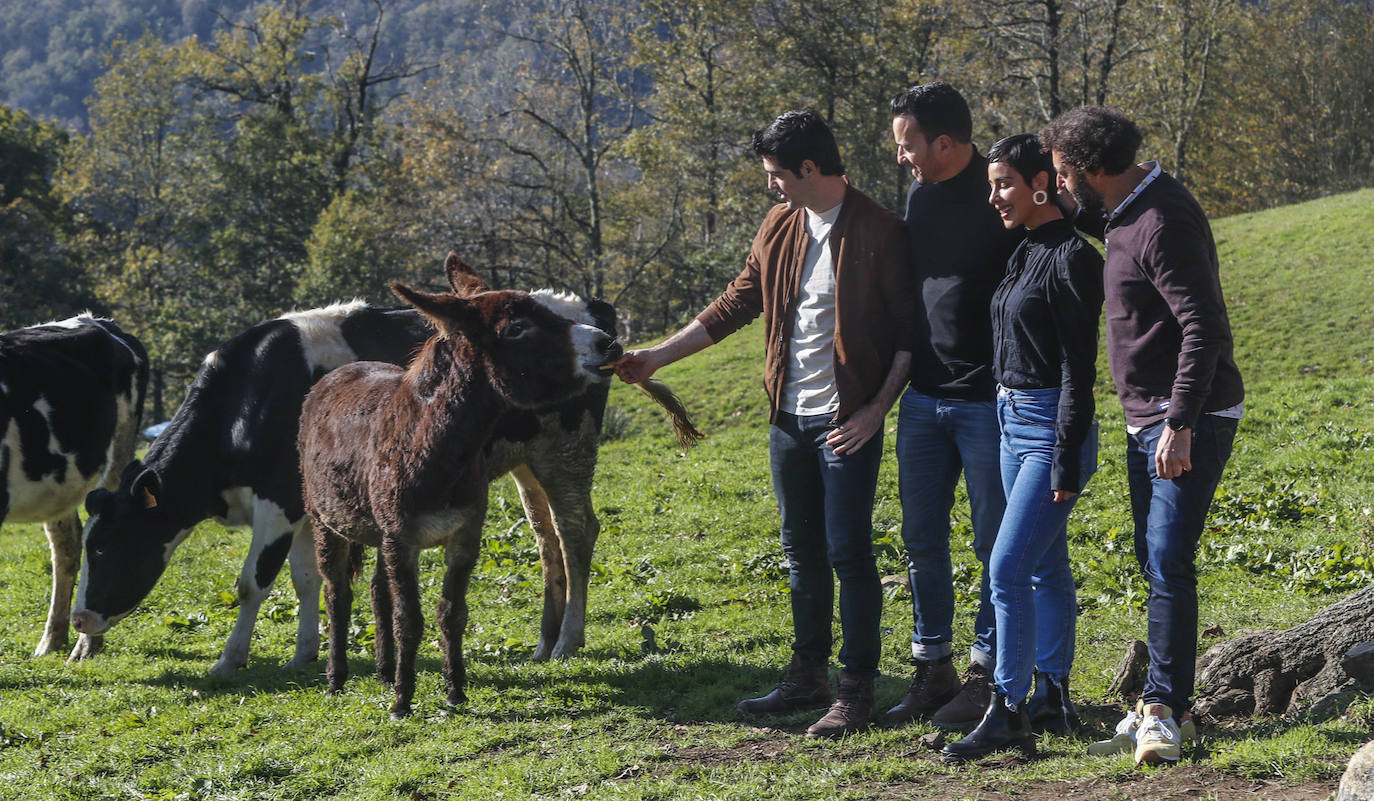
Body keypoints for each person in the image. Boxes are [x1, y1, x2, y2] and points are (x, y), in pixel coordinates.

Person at [613, 109, 914, 739]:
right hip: (787, 419)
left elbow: (911, 337)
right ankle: (807, 676)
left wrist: (873, 411)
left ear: (808, 169)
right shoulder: (779, 224)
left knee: (850, 555)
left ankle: (856, 689)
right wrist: (655, 358)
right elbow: (735, 303)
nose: (771, 184)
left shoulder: (881, 230)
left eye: (777, 174)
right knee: (801, 553)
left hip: (846, 422)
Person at [1039, 106, 1244, 765]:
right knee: (1153, 559)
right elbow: (1092, 219)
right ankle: (1168, 699)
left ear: (1095, 170)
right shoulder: (1128, 208)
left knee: (1167, 556)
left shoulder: (1162, 219)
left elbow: (1203, 325)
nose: (1062, 183)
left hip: (1186, 418)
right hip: (1147, 419)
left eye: (1065, 173)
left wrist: (1181, 420)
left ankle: (1161, 710)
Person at [941, 133, 1103, 761]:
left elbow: (1078, 370)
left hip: (1050, 430)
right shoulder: (1025, 249)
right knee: (1045, 565)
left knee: (1007, 570)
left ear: (1042, 183)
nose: (994, 197)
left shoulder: (1071, 259)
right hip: (1010, 422)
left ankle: (1007, 708)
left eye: (1003, 183)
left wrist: (1064, 454)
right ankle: (1054, 695)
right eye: (991, 186)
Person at [884, 82, 1023, 731]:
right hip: (924, 400)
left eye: (908, 144)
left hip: (988, 402)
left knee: (994, 543)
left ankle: (986, 674)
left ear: (944, 142)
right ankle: (931, 667)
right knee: (921, 541)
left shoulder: (999, 194)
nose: (903, 156)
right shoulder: (919, 197)